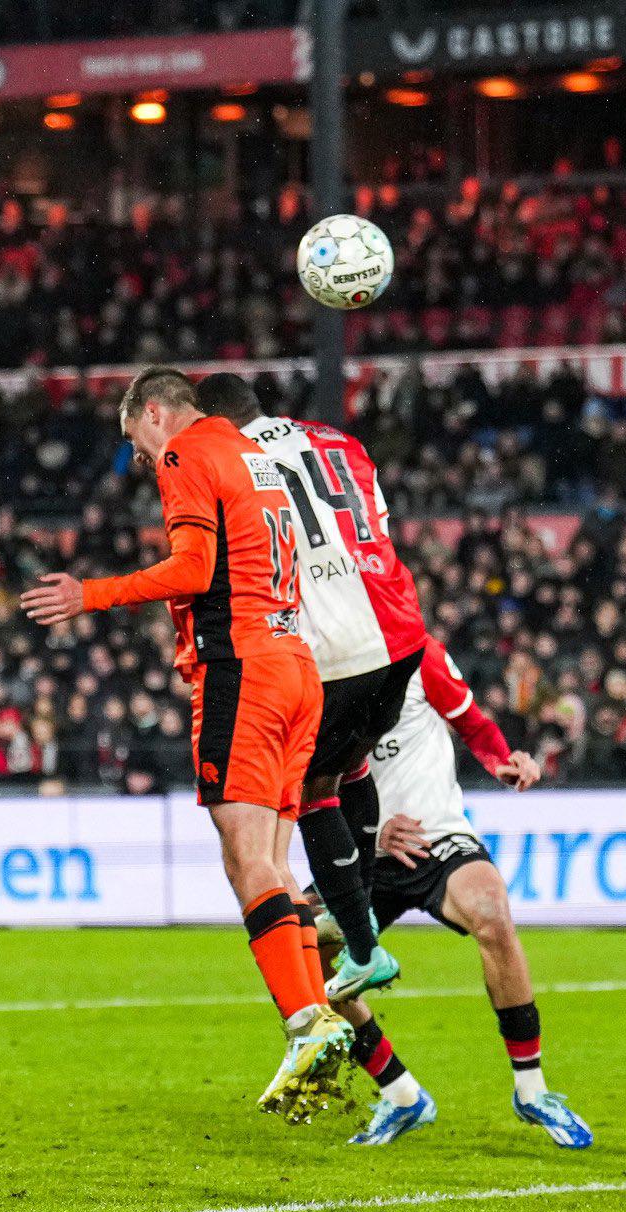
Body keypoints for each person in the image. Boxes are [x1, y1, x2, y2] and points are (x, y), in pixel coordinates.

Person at [21, 368, 345, 1121]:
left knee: (246, 861)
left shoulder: (185, 454)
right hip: (300, 669)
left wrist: (89, 595)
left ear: (155, 413)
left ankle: (306, 1022)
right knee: (276, 863)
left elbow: (195, 569)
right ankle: (313, 1022)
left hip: (244, 672)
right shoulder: (258, 458)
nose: (140, 457)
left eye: (135, 438)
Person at [196, 372, 430, 1003]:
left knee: (311, 788)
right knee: (350, 765)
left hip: (328, 648)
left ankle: (362, 946)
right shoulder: (337, 440)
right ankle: (359, 917)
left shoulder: (226, 463)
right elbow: (373, 526)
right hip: (398, 632)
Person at [314, 636, 593, 1149]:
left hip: (435, 835)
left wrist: (504, 759)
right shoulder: (309, 670)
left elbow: (474, 724)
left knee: (491, 910)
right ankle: (400, 1093)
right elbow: (308, 783)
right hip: (359, 849)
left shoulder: (417, 653)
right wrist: (373, 833)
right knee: (308, 955)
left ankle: (532, 1089)